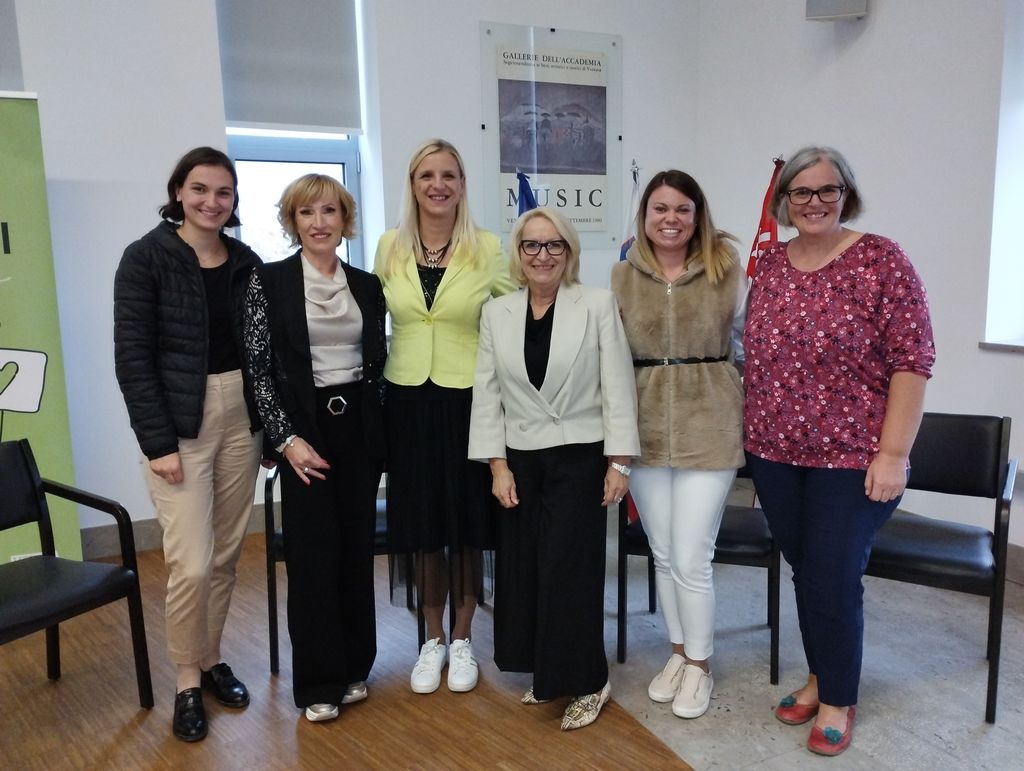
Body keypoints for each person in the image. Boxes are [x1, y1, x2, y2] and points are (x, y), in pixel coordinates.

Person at [743, 146, 935, 756]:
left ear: (846, 194)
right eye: (801, 192)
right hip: (775, 452)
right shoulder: (772, 264)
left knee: (831, 573)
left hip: (853, 457)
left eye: (828, 190)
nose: (815, 202)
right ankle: (822, 674)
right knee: (808, 571)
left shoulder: (881, 260)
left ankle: (838, 698)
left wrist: (894, 454)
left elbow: (912, 362)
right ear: (785, 201)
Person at [469, 207, 640, 730]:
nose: (542, 255)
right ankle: (548, 673)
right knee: (526, 569)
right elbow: (487, 395)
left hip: (579, 456)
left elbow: (618, 385)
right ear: (518, 254)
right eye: (532, 245)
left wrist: (620, 463)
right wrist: (497, 466)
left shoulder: (596, 304)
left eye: (553, 245)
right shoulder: (497, 312)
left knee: (570, 570)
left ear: (569, 252)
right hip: (520, 459)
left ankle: (589, 680)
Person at [114, 147, 263, 742]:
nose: (211, 201)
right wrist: (157, 442)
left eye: (224, 192)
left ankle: (211, 657)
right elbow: (132, 358)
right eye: (200, 189)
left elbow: (264, 352)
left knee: (224, 556)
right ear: (178, 191)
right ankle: (185, 680)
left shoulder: (246, 262)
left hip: (241, 417)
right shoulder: (145, 257)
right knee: (192, 563)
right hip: (179, 423)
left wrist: (272, 428)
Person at [243, 174, 386, 723]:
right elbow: (258, 370)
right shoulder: (269, 281)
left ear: (345, 219)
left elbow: (377, 365)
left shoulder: (367, 285)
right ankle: (319, 680)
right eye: (307, 213)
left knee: (355, 551)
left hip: (359, 432)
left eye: (330, 211)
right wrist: (285, 439)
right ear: (292, 221)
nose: (319, 222)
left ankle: (354, 666)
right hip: (304, 432)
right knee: (311, 557)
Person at [374, 139, 515, 695]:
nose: (438, 185)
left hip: (468, 402)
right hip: (406, 401)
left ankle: (462, 638)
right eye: (426, 175)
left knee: (467, 522)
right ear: (412, 185)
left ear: (462, 185)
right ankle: (430, 638)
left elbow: (517, 313)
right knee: (422, 522)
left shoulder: (488, 248)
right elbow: (370, 318)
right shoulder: (389, 246)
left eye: (448, 175)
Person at [611, 170, 746, 720]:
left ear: (697, 215)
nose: (671, 219)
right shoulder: (621, 275)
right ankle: (678, 651)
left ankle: (700, 665)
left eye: (682, 209)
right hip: (643, 429)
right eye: (660, 209)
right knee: (663, 554)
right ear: (645, 216)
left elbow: (748, 345)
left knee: (692, 556)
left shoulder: (727, 270)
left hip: (709, 424)